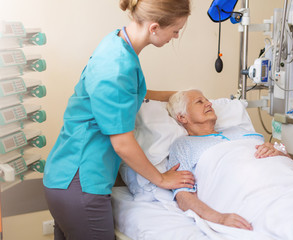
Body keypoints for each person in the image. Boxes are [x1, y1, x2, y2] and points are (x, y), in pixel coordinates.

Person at [43, 0, 195, 239]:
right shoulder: (117, 66)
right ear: (154, 28)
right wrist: (162, 179)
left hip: (66, 178)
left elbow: (126, 93)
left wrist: (177, 95)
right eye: (175, 31)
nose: (175, 37)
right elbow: (122, 144)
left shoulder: (117, 43)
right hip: (80, 183)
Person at [166, 89, 289, 231]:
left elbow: (290, 165)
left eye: (207, 100)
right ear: (182, 117)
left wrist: (280, 153)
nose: (209, 103)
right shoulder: (183, 145)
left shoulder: (241, 131)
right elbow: (183, 195)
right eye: (200, 101)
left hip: (286, 181)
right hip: (254, 193)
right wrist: (220, 218)